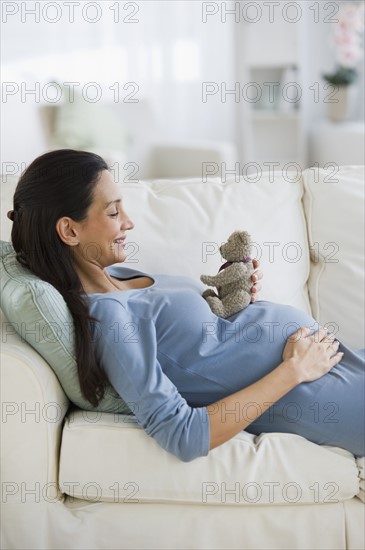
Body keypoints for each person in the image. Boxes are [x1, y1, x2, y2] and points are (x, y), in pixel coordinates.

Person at [8, 149, 364, 462]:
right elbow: (183, 435)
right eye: (114, 212)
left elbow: (202, 349)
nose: (128, 222)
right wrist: (295, 369)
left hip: (337, 360)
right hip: (323, 391)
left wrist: (233, 301)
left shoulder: (118, 274)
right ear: (69, 231)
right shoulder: (110, 318)